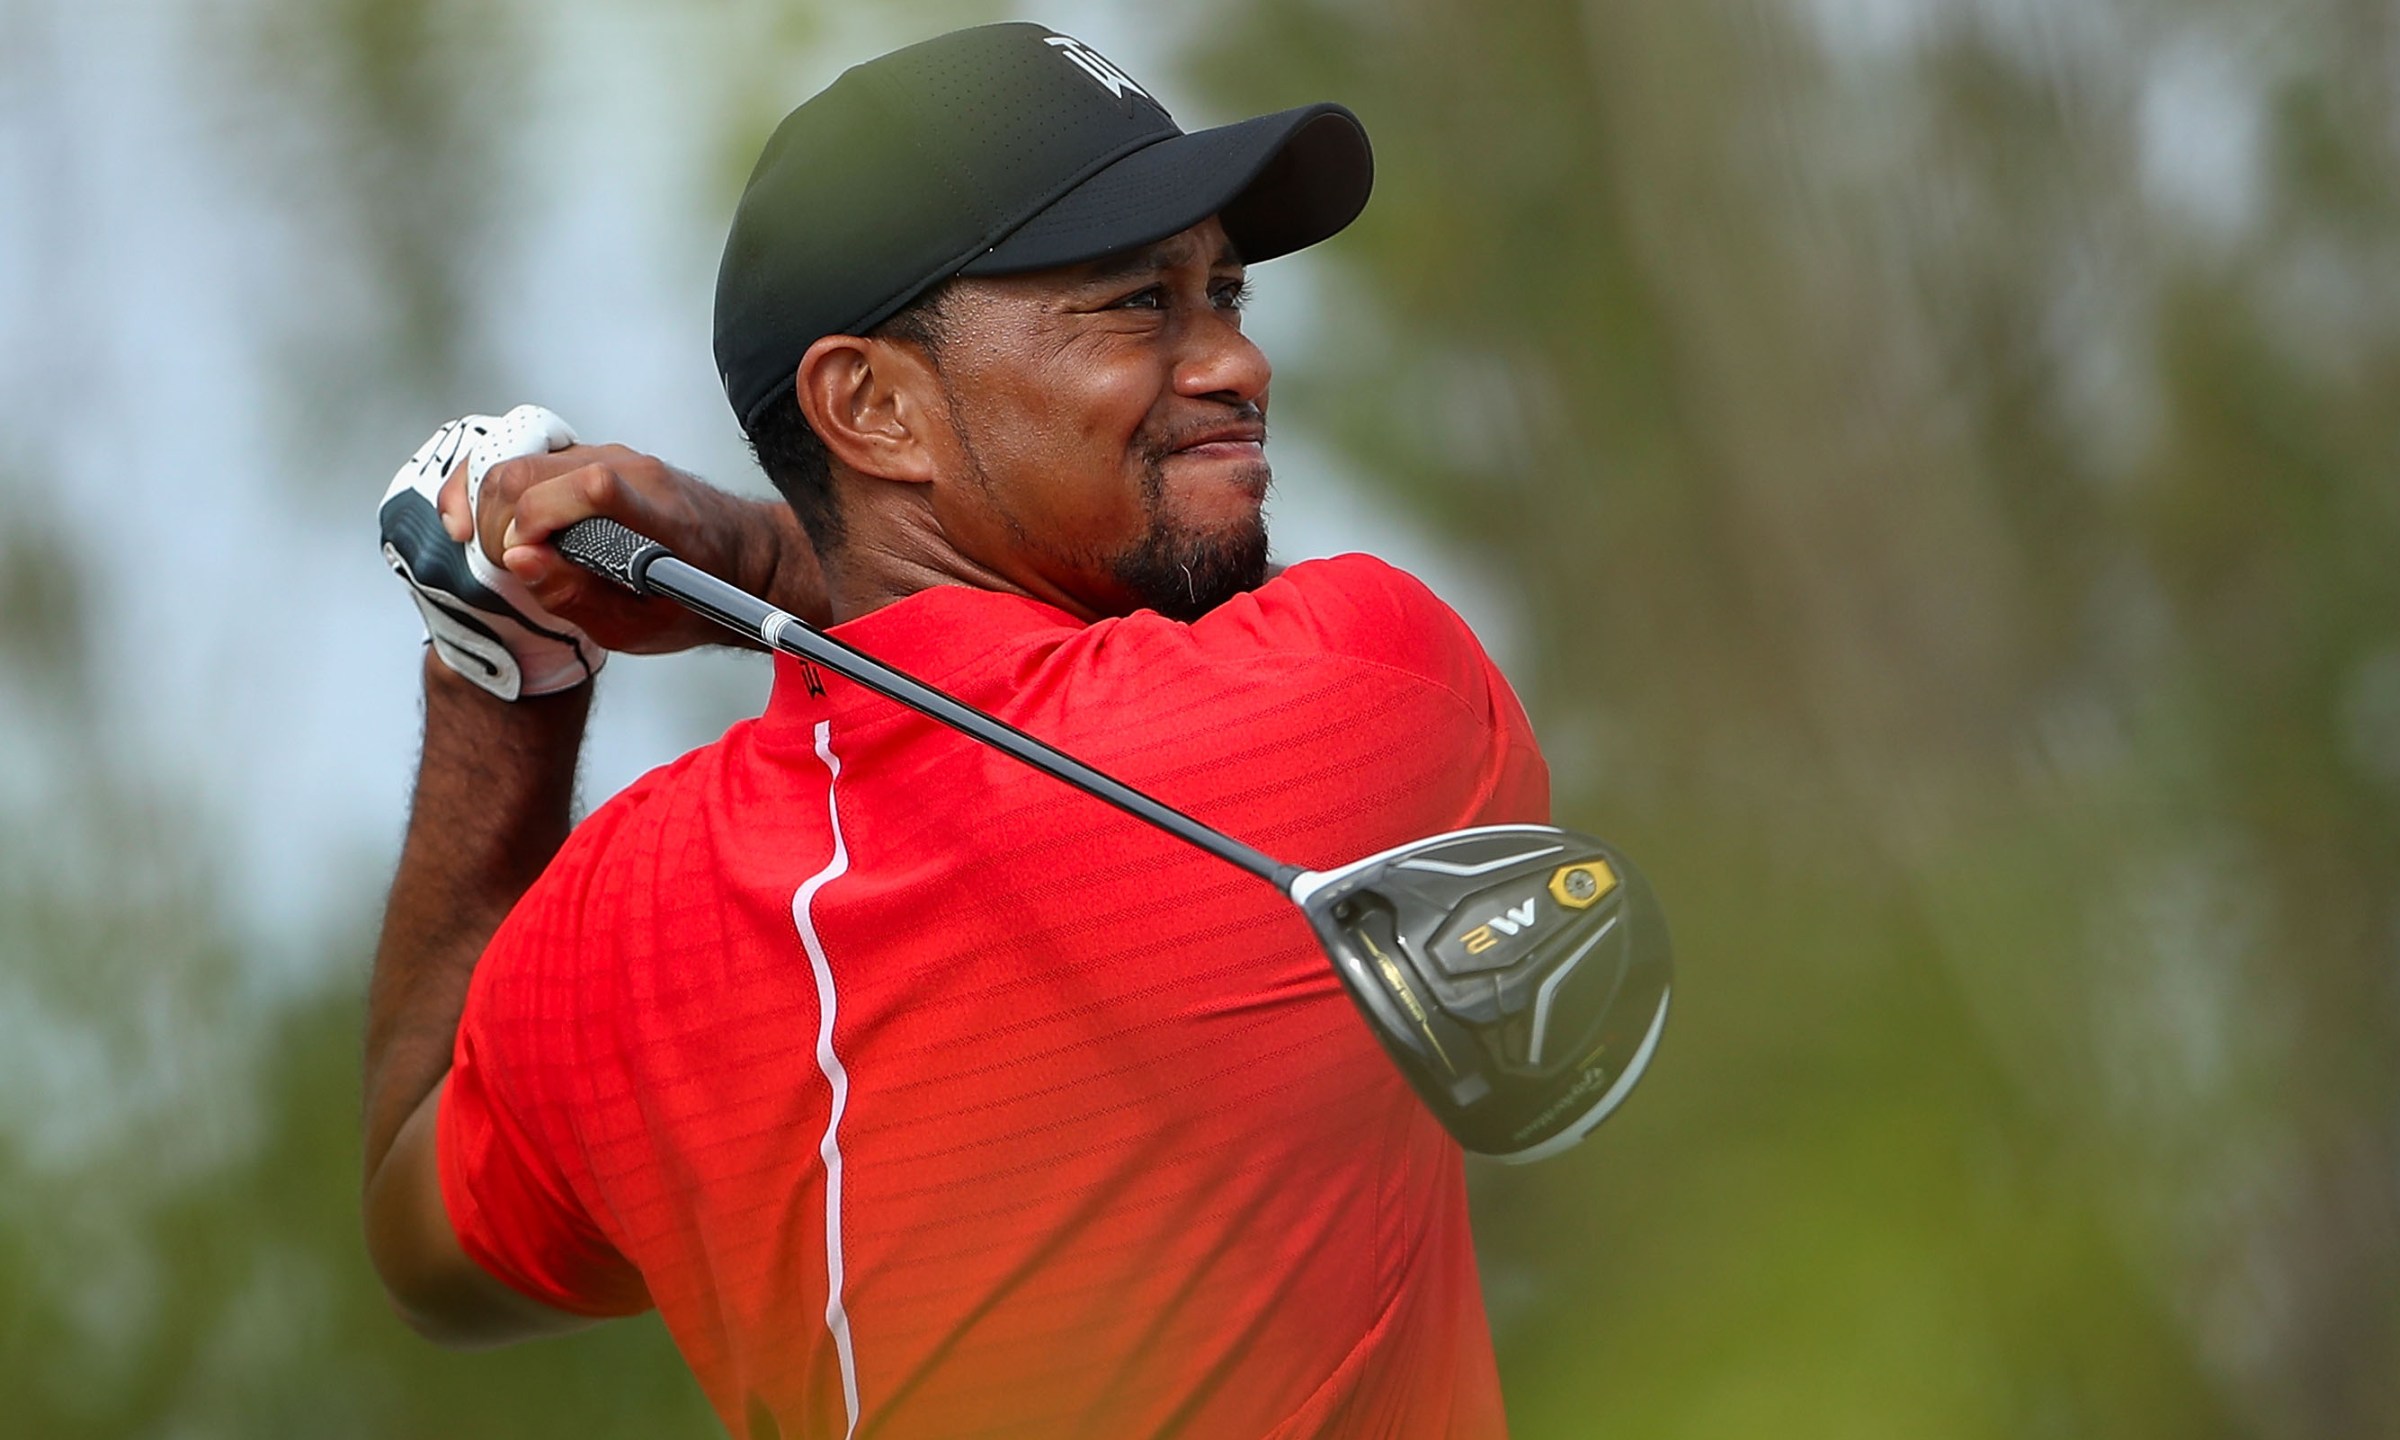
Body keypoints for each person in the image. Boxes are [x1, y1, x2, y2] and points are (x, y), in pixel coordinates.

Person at [364, 23, 1544, 1438]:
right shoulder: (1362, 686)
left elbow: (419, 1232)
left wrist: (498, 670)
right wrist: (756, 561)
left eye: (1222, 291)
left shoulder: (627, 919)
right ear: (870, 406)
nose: (1238, 360)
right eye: (1136, 305)